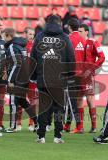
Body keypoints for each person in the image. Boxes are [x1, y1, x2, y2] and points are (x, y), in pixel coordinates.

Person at [31, 15, 75, 143]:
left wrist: (34, 76)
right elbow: (71, 58)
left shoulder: (39, 36)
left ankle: (41, 136)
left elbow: (33, 58)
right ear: (60, 23)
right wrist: (70, 76)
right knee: (59, 108)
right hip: (60, 79)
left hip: (43, 78)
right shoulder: (65, 38)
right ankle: (58, 136)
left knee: (44, 108)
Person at [4, 29, 38, 133]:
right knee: (23, 101)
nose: (3, 39)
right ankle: (37, 122)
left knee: (14, 102)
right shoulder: (21, 46)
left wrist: (10, 80)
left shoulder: (12, 46)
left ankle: (13, 126)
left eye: (4, 36)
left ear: (8, 36)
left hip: (17, 79)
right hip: (24, 78)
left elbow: (16, 64)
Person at [78, 24, 105, 133]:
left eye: (81, 31)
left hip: (87, 75)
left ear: (86, 32)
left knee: (90, 99)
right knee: (78, 100)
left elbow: (102, 56)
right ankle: (80, 127)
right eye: (78, 31)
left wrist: (92, 68)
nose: (79, 33)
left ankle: (94, 126)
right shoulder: (77, 43)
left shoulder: (92, 42)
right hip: (77, 74)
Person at [64, 18, 85, 134]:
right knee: (74, 101)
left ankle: (79, 126)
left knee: (70, 102)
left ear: (69, 27)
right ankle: (67, 125)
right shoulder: (83, 39)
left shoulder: (69, 39)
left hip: (71, 74)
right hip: (81, 74)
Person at [15, 27, 37, 132]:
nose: (31, 36)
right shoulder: (20, 45)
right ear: (25, 34)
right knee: (20, 99)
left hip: (32, 76)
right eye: (30, 34)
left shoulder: (36, 46)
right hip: (22, 76)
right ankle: (18, 123)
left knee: (32, 100)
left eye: (33, 34)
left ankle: (31, 123)